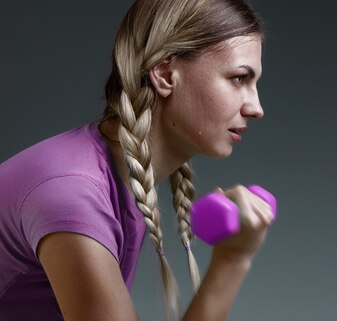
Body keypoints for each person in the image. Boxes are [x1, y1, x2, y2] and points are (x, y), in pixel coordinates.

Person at [0, 0, 273, 320]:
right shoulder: (74, 195)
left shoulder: (119, 181)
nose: (256, 108)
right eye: (239, 79)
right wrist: (232, 260)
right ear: (165, 75)